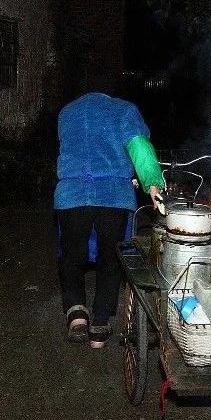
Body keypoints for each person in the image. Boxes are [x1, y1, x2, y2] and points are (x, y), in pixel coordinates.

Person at [55, 90, 165, 348]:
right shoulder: (124, 109)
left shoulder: (67, 112)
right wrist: (152, 184)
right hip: (113, 196)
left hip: (71, 195)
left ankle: (76, 315)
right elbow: (138, 147)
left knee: (71, 255)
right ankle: (100, 322)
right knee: (111, 257)